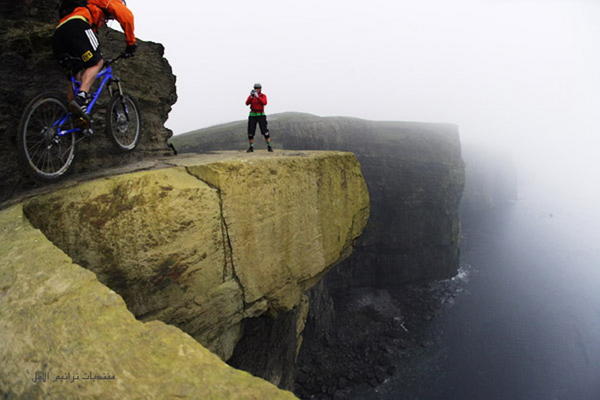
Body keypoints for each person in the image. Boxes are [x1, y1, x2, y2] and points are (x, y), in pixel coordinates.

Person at [53, 0, 137, 121]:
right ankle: (82, 96)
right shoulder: (108, 2)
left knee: (77, 71)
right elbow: (126, 15)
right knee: (97, 62)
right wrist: (131, 43)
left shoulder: (88, 7)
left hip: (59, 34)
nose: (110, 19)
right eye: (111, 17)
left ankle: (74, 115)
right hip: (77, 25)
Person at [245, 83, 272, 152]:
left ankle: (269, 146)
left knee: (265, 132)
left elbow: (264, 103)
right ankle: (251, 147)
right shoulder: (252, 96)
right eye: (255, 88)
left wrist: (258, 97)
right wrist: (251, 96)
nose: (257, 89)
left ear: (260, 89)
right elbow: (247, 103)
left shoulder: (263, 96)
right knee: (250, 133)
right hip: (252, 115)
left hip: (261, 115)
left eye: (258, 88)